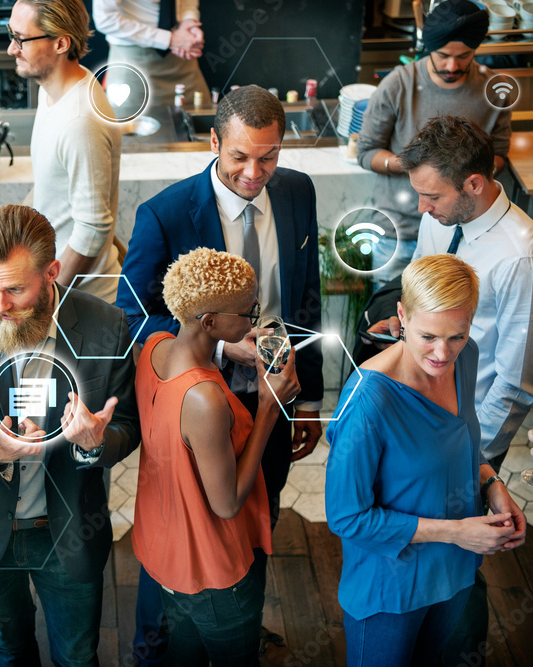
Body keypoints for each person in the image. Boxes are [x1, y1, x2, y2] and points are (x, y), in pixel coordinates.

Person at [117, 83, 322, 662]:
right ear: (213, 142)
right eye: (240, 156)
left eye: (269, 156)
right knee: (186, 534)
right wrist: (219, 347)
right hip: (198, 406)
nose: (255, 172)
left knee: (260, 510)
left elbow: (307, 293)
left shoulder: (298, 193)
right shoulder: (164, 214)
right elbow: (132, 314)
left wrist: (306, 397)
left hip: (276, 396)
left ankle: (234, 617)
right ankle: (157, 650)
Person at [0, 204, 140, 666]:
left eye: (14, 290)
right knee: (9, 647)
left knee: (78, 655)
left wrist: (95, 443)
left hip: (68, 532)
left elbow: (127, 426)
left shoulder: (107, 327)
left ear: (52, 272)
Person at [362, 115, 533, 666]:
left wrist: (476, 462)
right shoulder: (443, 215)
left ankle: (455, 643)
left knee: (459, 548)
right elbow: (420, 279)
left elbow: (516, 380)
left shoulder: (521, 257)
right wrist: (405, 325)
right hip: (412, 407)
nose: (421, 208)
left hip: (471, 425)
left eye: (431, 195)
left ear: (474, 186)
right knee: (410, 526)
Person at [326, 254, 526, 667]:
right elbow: (346, 517)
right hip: (390, 589)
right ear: (401, 315)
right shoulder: (368, 401)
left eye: (456, 335)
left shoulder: (463, 357)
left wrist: (492, 484)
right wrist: (456, 532)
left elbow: (463, 443)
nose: (441, 353)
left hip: (453, 572)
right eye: (428, 336)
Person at [134, 247, 299, 665]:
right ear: (209, 321)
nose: (255, 320)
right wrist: (268, 407)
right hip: (211, 567)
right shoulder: (204, 398)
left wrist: (227, 347)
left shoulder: (154, 347)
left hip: (166, 551)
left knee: (184, 653)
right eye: (248, 313)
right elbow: (226, 505)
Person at [356, 0, 511, 282]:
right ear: (429, 46)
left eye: (464, 56)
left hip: (465, 231)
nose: (452, 65)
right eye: (442, 55)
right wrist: (417, 166)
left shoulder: (494, 90)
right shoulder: (398, 84)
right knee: (391, 312)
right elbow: (366, 151)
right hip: (398, 231)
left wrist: (470, 173)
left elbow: (500, 154)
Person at [8, 0, 123, 303]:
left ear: (60, 43)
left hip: (82, 302)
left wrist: (46, 296)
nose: (11, 49)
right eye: (11, 35)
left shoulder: (80, 121)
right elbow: (51, 187)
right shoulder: (56, 90)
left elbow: (93, 228)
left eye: (20, 38)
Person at [93, 0, 210, 109]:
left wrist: (189, 23)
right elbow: (105, 18)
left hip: (181, 56)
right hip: (135, 61)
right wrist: (170, 40)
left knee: (202, 122)